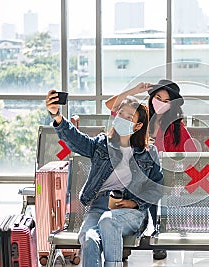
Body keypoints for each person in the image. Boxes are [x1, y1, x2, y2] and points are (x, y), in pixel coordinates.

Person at [46, 90, 163, 267]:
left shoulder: (148, 153)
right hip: (98, 206)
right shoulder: (102, 144)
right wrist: (57, 116)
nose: (122, 118)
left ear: (138, 126)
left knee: (109, 220)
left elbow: (157, 187)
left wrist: (135, 203)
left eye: (129, 116)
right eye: (121, 114)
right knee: (89, 238)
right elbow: (77, 140)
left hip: (131, 211)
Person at [106, 79, 197, 260]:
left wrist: (175, 169)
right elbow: (110, 105)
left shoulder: (176, 127)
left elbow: (190, 156)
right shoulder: (141, 117)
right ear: (151, 97)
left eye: (166, 101)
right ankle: (132, 232)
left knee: (158, 185)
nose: (161, 103)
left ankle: (157, 233)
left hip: (161, 179)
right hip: (134, 176)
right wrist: (135, 89)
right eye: (158, 97)